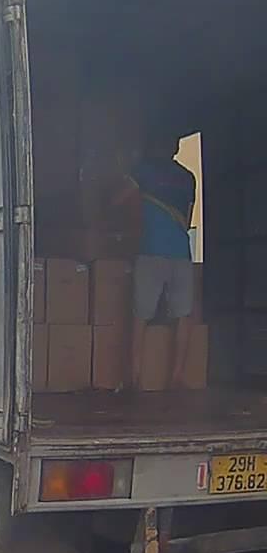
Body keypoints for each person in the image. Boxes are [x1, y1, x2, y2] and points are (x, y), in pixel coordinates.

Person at [123, 132, 197, 390]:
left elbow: (119, 201)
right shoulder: (188, 177)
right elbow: (188, 217)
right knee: (183, 315)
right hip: (180, 253)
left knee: (141, 315)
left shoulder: (142, 171)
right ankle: (177, 376)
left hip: (150, 252)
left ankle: (135, 376)